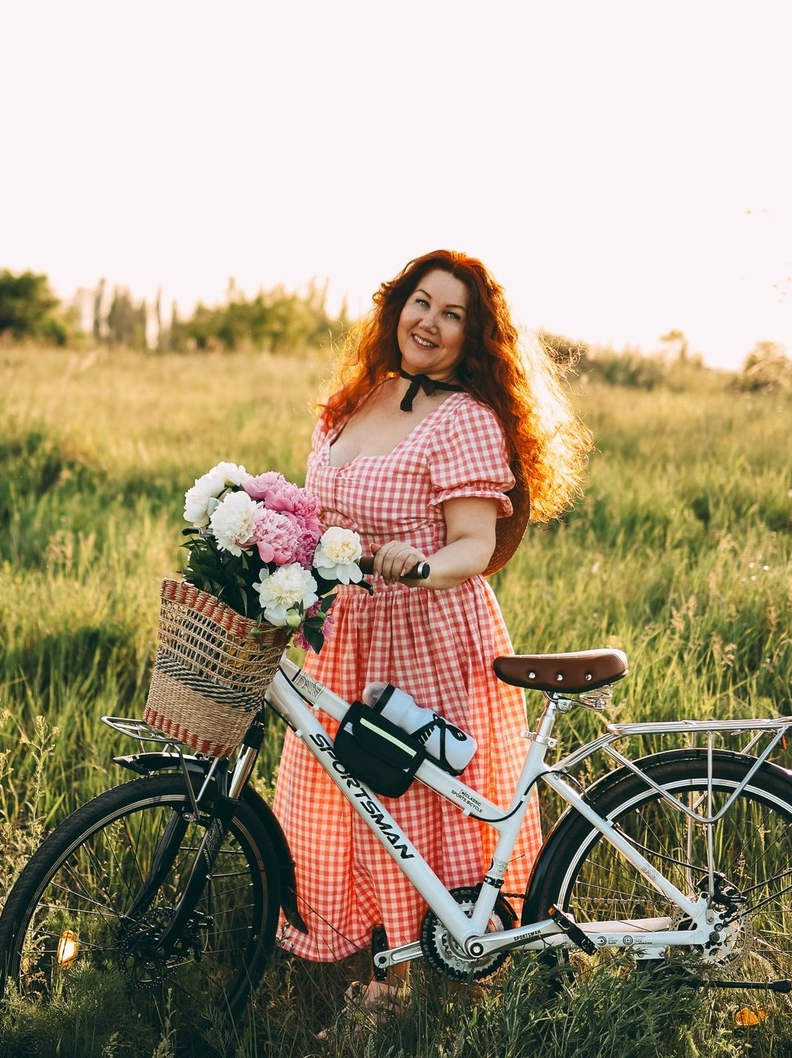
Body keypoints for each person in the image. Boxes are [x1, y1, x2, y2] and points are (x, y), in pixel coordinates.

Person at [271, 248, 592, 1017]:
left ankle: (407, 983)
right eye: (422, 302)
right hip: (346, 628)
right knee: (344, 793)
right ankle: (369, 951)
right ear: (397, 307)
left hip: (425, 632)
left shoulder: (465, 420)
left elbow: (475, 544)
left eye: (453, 315)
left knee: (411, 801)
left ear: (472, 337)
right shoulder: (355, 399)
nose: (430, 322)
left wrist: (421, 565)